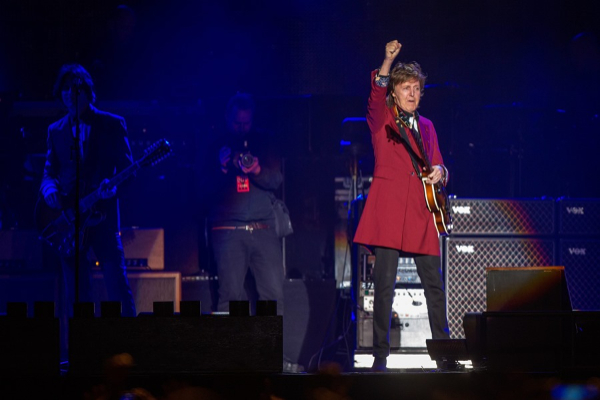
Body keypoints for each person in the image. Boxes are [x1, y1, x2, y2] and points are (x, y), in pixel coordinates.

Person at [353, 40, 457, 372]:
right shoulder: (383, 117)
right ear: (394, 93)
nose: (411, 93)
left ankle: (443, 354)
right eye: (405, 88)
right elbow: (375, 92)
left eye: (416, 88)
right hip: (389, 210)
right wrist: (387, 60)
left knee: (434, 287)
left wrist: (441, 172)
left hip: (421, 213)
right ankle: (380, 356)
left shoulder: (427, 127)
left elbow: (440, 166)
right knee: (384, 287)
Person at [39, 63, 137, 360]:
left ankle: (131, 351)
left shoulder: (111, 124)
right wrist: (50, 191)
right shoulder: (55, 130)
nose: (70, 95)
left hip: (103, 219)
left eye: (76, 89)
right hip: (70, 223)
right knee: (77, 295)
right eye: (66, 89)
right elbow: (48, 172)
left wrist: (113, 187)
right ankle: (83, 355)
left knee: (116, 287)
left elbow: (129, 170)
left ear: (88, 92)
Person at [207, 93, 285, 316]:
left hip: (263, 229)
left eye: (246, 122)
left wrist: (258, 170)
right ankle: (231, 350)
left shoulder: (264, 142)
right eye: (236, 123)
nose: (242, 127)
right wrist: (220, 168)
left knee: (274, 296)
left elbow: (277, 180)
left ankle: (268, 350)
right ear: (226, 118)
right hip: (228, 230)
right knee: (230, 297)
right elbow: (201, 191)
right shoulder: (214, 144)